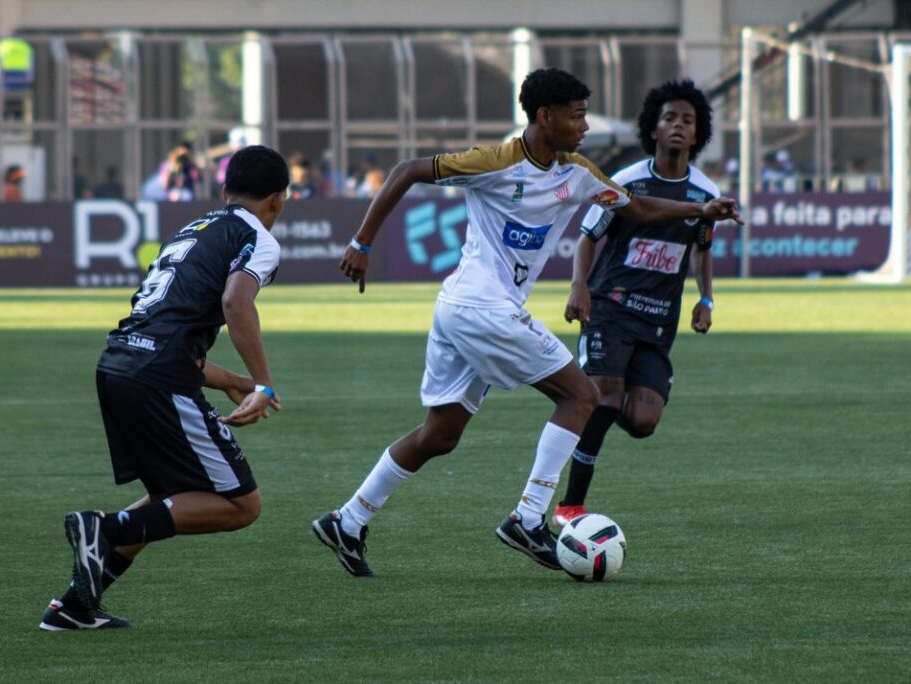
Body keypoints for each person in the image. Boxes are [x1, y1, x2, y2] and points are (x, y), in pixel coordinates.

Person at [311, 68, 741, 577]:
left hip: (462, 311)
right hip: (481, 308)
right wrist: (361, 243)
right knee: (581, 396)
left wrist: (702, 208)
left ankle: (348, 520)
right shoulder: (494, 162)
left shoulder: (577, 172)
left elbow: (640, 208)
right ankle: (529, 517)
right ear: (545, 116)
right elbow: (406, 170)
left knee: (440, 434)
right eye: (576, 116)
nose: (584, 127)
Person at [40, 145, 290, 630]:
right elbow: (237, 302)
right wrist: (262, 383)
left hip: (118, 365)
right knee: (241, 504)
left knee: (172, 496)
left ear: (224, 190)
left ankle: (74, 605)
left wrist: (233, 381)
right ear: (279, 199)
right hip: (157, 376)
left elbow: (166, 331)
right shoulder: (257, 238)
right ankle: (103, 527)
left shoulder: (192, 229)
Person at [552, 79, 723, 526]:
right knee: (605, 398)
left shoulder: (706, 194)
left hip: (658, 320)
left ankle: (599, 402)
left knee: (643, 421)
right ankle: (570, 505)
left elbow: (702, 248)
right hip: (610, 307)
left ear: (698, 132)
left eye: (688, 120)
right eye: (670, 118)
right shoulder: (627, 182)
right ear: (653, 128)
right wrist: (578, 285)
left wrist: (706, 298)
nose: (678, 126)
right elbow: (588, 236)